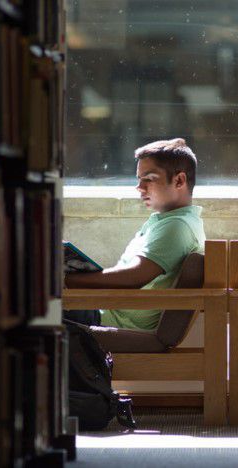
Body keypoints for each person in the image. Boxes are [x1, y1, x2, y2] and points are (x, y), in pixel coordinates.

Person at [64, 138, 206, 330]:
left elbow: (133, 277)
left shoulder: (177, 227)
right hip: (108, 312)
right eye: (139, 179)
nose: (139, 188)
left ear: (179, 180)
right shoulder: (169, 222)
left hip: (115, 321)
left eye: (149, 179)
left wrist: (65, 281)